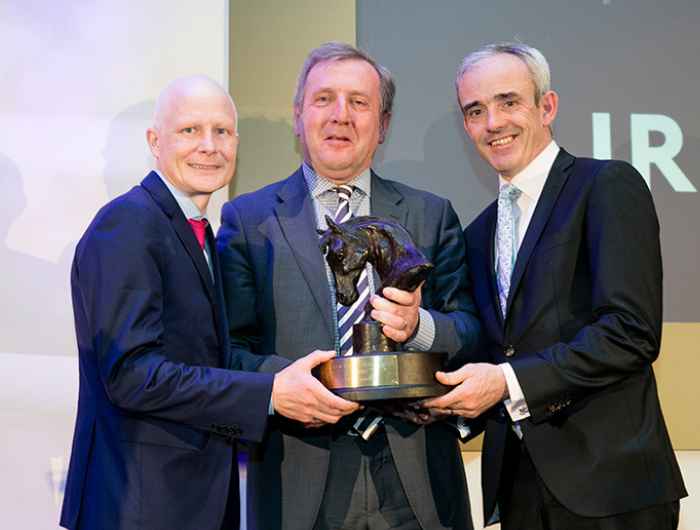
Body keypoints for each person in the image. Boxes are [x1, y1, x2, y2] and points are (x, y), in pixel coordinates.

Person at [59, 75, 358, 530]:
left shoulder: (196, 230)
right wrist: (270, 393)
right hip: (139, 507)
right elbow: (131, 374)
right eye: (190, 131)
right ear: (155, 142)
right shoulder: (128, 224)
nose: (209, 146)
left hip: (188, 502)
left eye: (222, 131)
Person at [217, 42, 481, 530]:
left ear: (382, 125)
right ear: (299, 116)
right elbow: (229, 350)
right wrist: (291, 385)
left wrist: (418, 327)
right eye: (324, 99)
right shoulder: (247, 220)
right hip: (298, 475)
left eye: (359, 103)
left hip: (416, 479)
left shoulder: (431, 215)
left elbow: (469, 332)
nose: (341, 115)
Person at [423, 42, 687, 529]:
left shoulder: (606, 185)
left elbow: (631, 332)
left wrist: (505, 382)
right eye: (475, 110)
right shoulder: (477, 234)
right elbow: (493, 349)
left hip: (612, 488)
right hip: (519, 489)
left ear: (547, 107)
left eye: (508, 102)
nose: (493, 122)